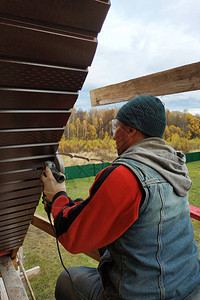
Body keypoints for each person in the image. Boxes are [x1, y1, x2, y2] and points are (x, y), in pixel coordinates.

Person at [41, 95, 200, 300]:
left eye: (116, 127)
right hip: (191, 287)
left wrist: (57, 195)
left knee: (67, 279)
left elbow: (72, 237)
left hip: (144, 295)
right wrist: (80, 206)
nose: (114, 136)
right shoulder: (174, 166)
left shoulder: (125, 175)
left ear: (131, 130)